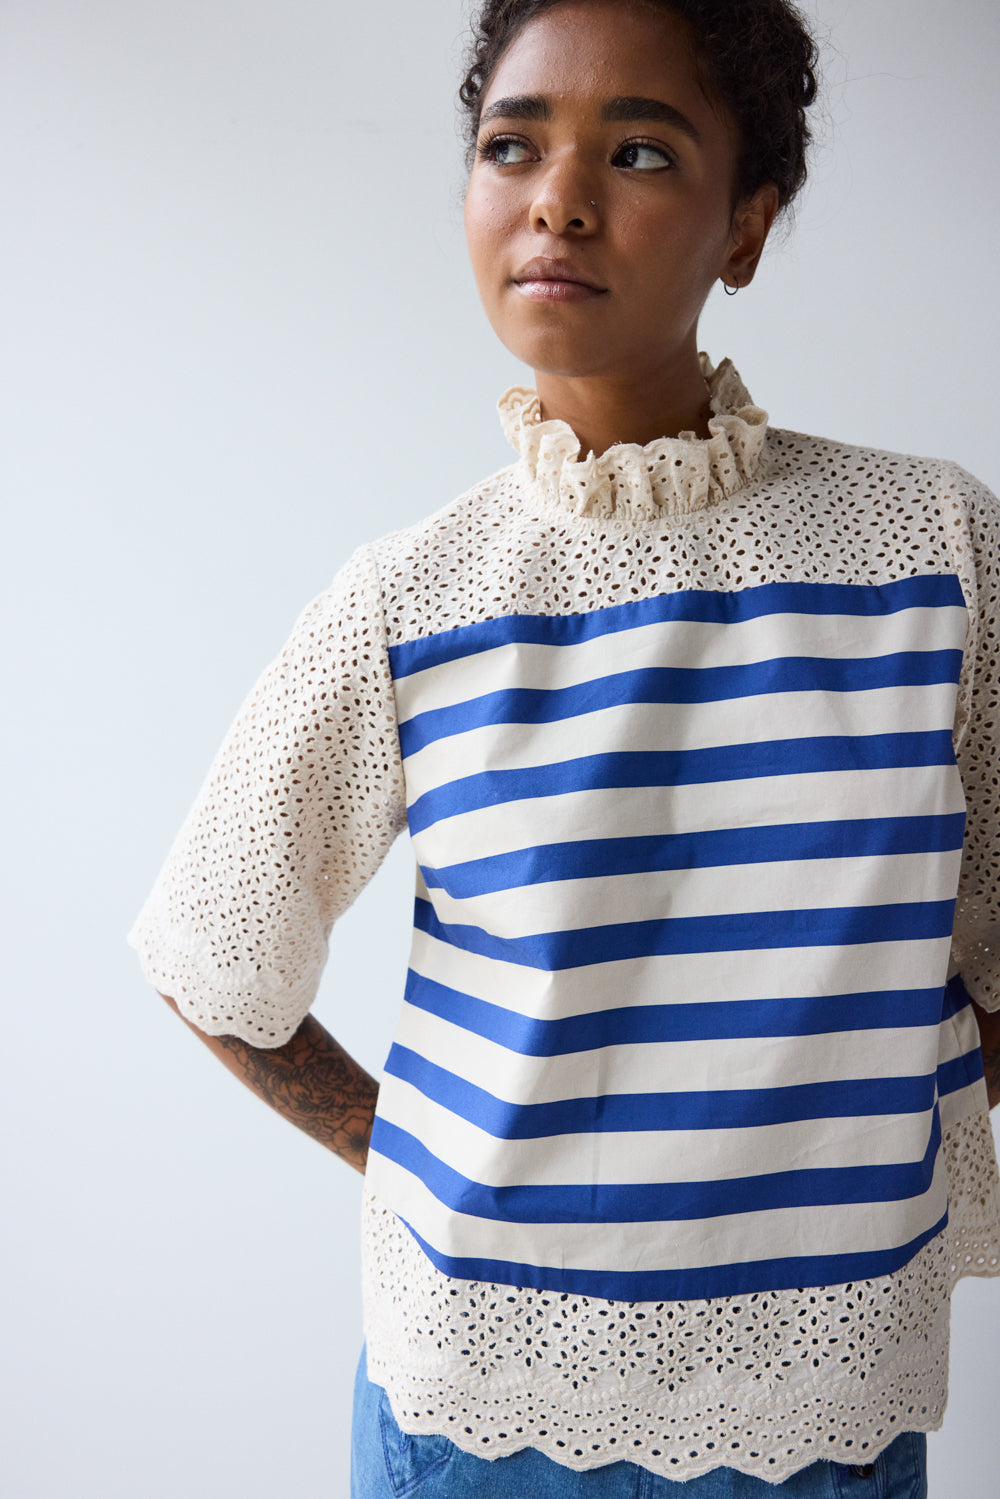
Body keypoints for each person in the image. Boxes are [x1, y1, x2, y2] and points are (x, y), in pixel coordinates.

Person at [129, 0, 1000, 1493]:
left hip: (825, 1414)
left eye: (640, 151)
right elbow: (213, 953)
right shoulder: (412, 598)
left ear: (747, 224)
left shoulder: (934, 548)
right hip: (475, 1414)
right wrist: (419, 1164)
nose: (560, 199)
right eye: (511, 146)